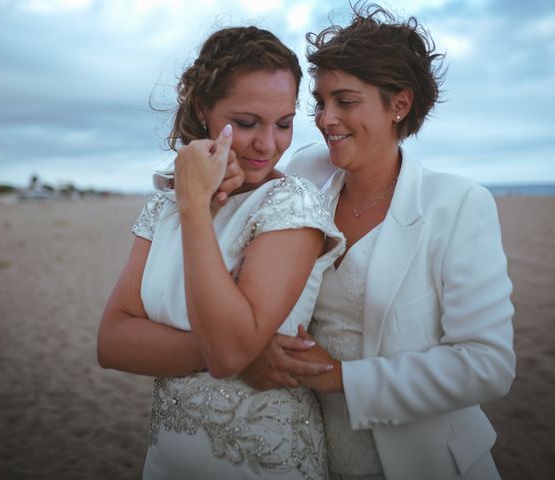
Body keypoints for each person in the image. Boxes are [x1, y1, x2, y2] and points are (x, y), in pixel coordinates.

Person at [234, 4, 516, 480]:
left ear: (399, 104)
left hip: (428, 462)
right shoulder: (303, 174)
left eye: (345, 101)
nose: (325, 119)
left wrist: (339, 378)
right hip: (314, 455)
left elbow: (487, 364)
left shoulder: (459, 205)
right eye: (320, 102)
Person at [97, 26, 345, 479]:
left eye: (284, 124)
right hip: (169, 460)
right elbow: (112, 341)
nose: (268, 145)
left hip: (264, 464)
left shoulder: (292, 204)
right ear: (202, 109)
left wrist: (194, 210)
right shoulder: (162, 205)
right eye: (248, 123)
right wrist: (242, 354)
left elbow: (228, 353)